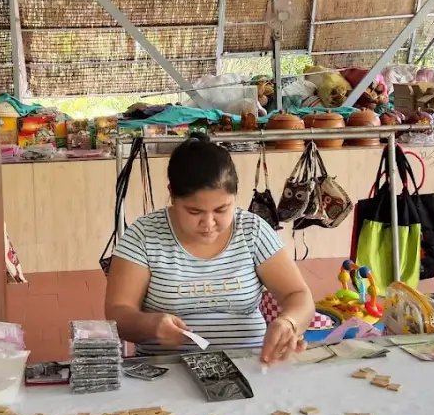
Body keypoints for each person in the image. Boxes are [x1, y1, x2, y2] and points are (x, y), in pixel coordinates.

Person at [105, 136, 315, 363]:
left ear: (235, 196)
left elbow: (298, 295)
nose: (208, 223)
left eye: (221, 209)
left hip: (251, 363)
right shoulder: (144, 236)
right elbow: (119, 312)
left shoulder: (252, 231)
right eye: (194, 212)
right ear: (172, 195)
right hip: (167, 369)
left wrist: (288, 323)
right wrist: (150, 325)